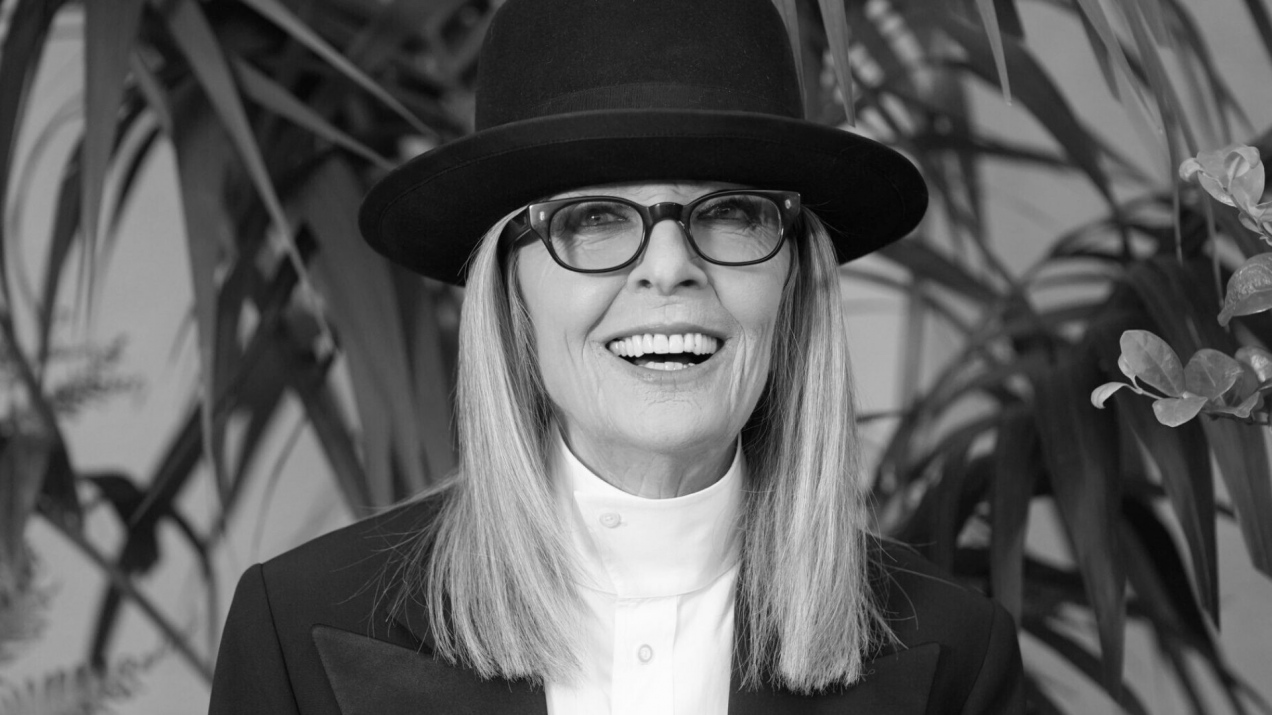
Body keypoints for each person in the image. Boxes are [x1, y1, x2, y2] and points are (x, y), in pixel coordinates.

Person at [209, 0, 1024, 712]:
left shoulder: (956, 656)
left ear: (794, 282)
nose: (668, 267)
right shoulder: (298, 632)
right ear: (509, 288)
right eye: (592, 219)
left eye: (731, 212)